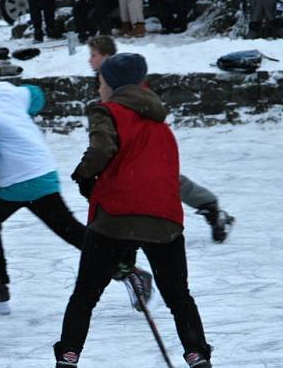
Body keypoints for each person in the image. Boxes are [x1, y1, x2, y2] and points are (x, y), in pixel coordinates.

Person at [41, 53, 232, 368]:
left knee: (84, 297)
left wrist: (84, 176)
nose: (98, 85)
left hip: (115, 218)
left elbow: (102, 148)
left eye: (100, 79)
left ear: (112, 84)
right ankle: (202, 367)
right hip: (164, 219)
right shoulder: (161, 124)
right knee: (179, 298)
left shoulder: (106, 111)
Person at [0, 45, 151, 315]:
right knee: (64, 229)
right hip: (39, 168)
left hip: (19, 178)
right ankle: (127, 269)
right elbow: (35, 97)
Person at [87, 35, 235, 242]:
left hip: (144, 140)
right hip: (133, 144)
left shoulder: (127, 76)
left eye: (93, 55)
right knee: (151, 180)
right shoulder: (111, 80)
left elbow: (142, 106)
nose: (89, 60)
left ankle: (210, 206)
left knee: (162, 180)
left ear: (106, 56)